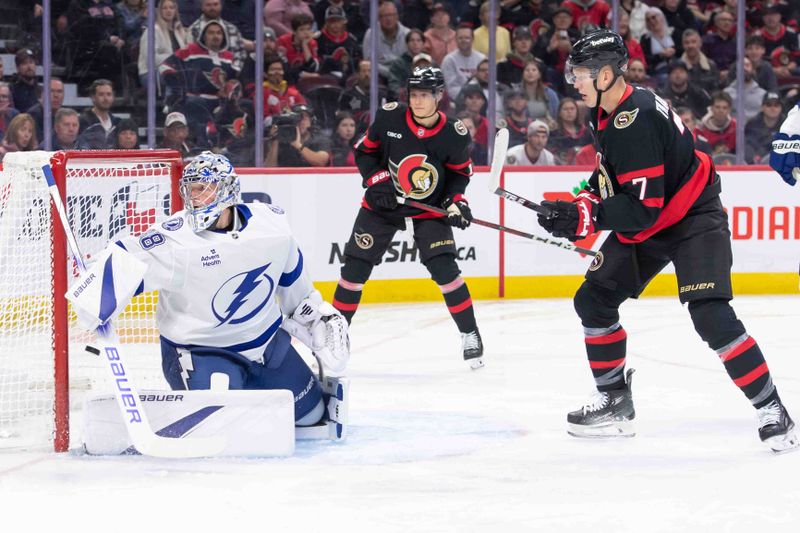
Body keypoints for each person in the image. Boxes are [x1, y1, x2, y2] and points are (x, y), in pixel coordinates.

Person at [536, 29, 797, 453]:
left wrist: (583, 217)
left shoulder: (633, 118)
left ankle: (772, 408)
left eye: (581, 73)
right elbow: (611, 179)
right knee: (593, 300)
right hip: (653, 218)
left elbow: (642, 209)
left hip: (692, 217)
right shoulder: (604, 110)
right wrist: (580, 202)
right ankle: (615, 401)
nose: (574, 81)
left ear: (606, 75)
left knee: (711, 316)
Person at [66, 151, 349, 430]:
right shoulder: (175, 242)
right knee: (221, 429)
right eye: (189, 189)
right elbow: (125, 260)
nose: (193, 197)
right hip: (202, 352)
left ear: (227, 189)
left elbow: (296, 289)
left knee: (311, 417)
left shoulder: (272, 227)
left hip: (267, 344)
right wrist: (95, 285)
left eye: (202, 188)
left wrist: (316, 316)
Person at [332, 66, 484, 369]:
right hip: (383, 203)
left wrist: (456, 202)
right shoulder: (390, 116)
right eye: (413, 95)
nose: (417, 101)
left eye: (424, 95)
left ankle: (470, 333)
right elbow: (365, 153)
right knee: (354, 270)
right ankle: (335, 337)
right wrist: (378, 182)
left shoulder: (454, 134)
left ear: (439, 96)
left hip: (429, 208)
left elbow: (458, 177)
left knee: (445, 270)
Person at [138, 0, 189, 90]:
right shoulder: (152, 31)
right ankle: (172, 102)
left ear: (175, 10)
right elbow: (150, 59)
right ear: (159, 11)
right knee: (175, 76)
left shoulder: (179, 31)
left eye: (171, 8)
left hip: (178, 71)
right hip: (150, 73)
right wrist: (173, 59)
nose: (168, 10)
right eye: (164, 8)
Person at [265, 103, 331, 167]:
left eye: (305, 119)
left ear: (311, 122)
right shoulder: (283, 140)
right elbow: (269, 169)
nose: (301, 122)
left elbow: (321, 162)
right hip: (287, 177)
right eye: (298, 119)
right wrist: (275, 140)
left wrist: (298, 145)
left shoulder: (319, 139)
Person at [440, 26, 486, 101]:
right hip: (456, 102)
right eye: (460, 38)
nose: (463, 40)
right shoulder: (449, 60)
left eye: (467, 38)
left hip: (480, 100)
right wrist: (466, 100)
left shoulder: (482, 59)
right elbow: (451, 88)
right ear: (456, 40)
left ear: (472, 39)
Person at [78, 79, 122, 149]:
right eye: (101, 94)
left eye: (109, 94)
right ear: (93, 97)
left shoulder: (118, 123)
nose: (106, 98)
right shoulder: (82, 121)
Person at [745, 92, 784, 164]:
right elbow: (748, 145)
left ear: (781, 108)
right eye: (769, 105)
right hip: (753, 164)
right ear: (762, 107)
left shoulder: (787, 125)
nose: (773, 108)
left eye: (776, 105)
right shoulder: (752, 124)